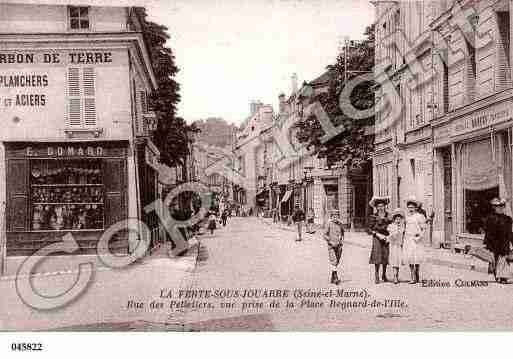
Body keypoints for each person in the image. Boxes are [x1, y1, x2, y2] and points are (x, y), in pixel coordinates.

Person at [484, 198, 513, 284]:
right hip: (494, 242)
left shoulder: (508, 219)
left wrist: (511, 241)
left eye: (502, 206)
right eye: (498, 206)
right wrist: (488, 243)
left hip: (504, 242)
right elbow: (488, 232)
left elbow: (509, 232)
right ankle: (498, 275)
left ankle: (502, 276)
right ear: (494, 207)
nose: (500, 208)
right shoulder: (490, 218)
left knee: (503, 258)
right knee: (495, 259)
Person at [367, 196, 391, 284]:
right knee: (377, 256)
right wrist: (377, 234)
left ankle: (384, 275)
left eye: (382, 206)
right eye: (379, 206)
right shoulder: (373, 216)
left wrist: (389, 236)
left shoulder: (389, 216)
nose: (381, 208)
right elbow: (368, 229)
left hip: (386, 237)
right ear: (376, 207)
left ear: (385, 206)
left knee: (385, 255)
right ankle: (376, 275)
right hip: (377, 237)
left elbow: (392, 226)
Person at [403, 197, 426, 284]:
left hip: (416, 239)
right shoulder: (406, 217)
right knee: (410, 258)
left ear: (416, 208)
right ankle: (412, 277)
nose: (410, 209)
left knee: (416, 258)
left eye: (412, 207)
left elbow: (423, 229)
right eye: (409, 207)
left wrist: (419, 237)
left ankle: (417, 274)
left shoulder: (419, 217)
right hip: (408, 239)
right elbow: (404, 227)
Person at [323, 211, 344, 285]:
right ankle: (335, 277)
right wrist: (329, 241)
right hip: (331, 245)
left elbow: (342, 233)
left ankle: (332, 277)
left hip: (339, 245)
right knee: (334, 261)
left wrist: (341, 240)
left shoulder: (340, 224)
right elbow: (324, 235)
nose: (335, 218)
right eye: (334, 216)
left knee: (337, 261)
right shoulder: (329, 224)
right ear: (331, 217)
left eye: (337, 216)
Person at [387, 208, 405, 285]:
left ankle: (397, 275)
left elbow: (403, 236)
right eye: (396, 219)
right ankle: (395, 276)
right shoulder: (391, 226)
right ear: (394, 219)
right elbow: (392, 236)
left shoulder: (402, 227)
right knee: (394, 261)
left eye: (399, 219)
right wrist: (396, 231)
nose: (398, 220)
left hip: (399, 246)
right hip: (393, 246)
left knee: (398, 261)